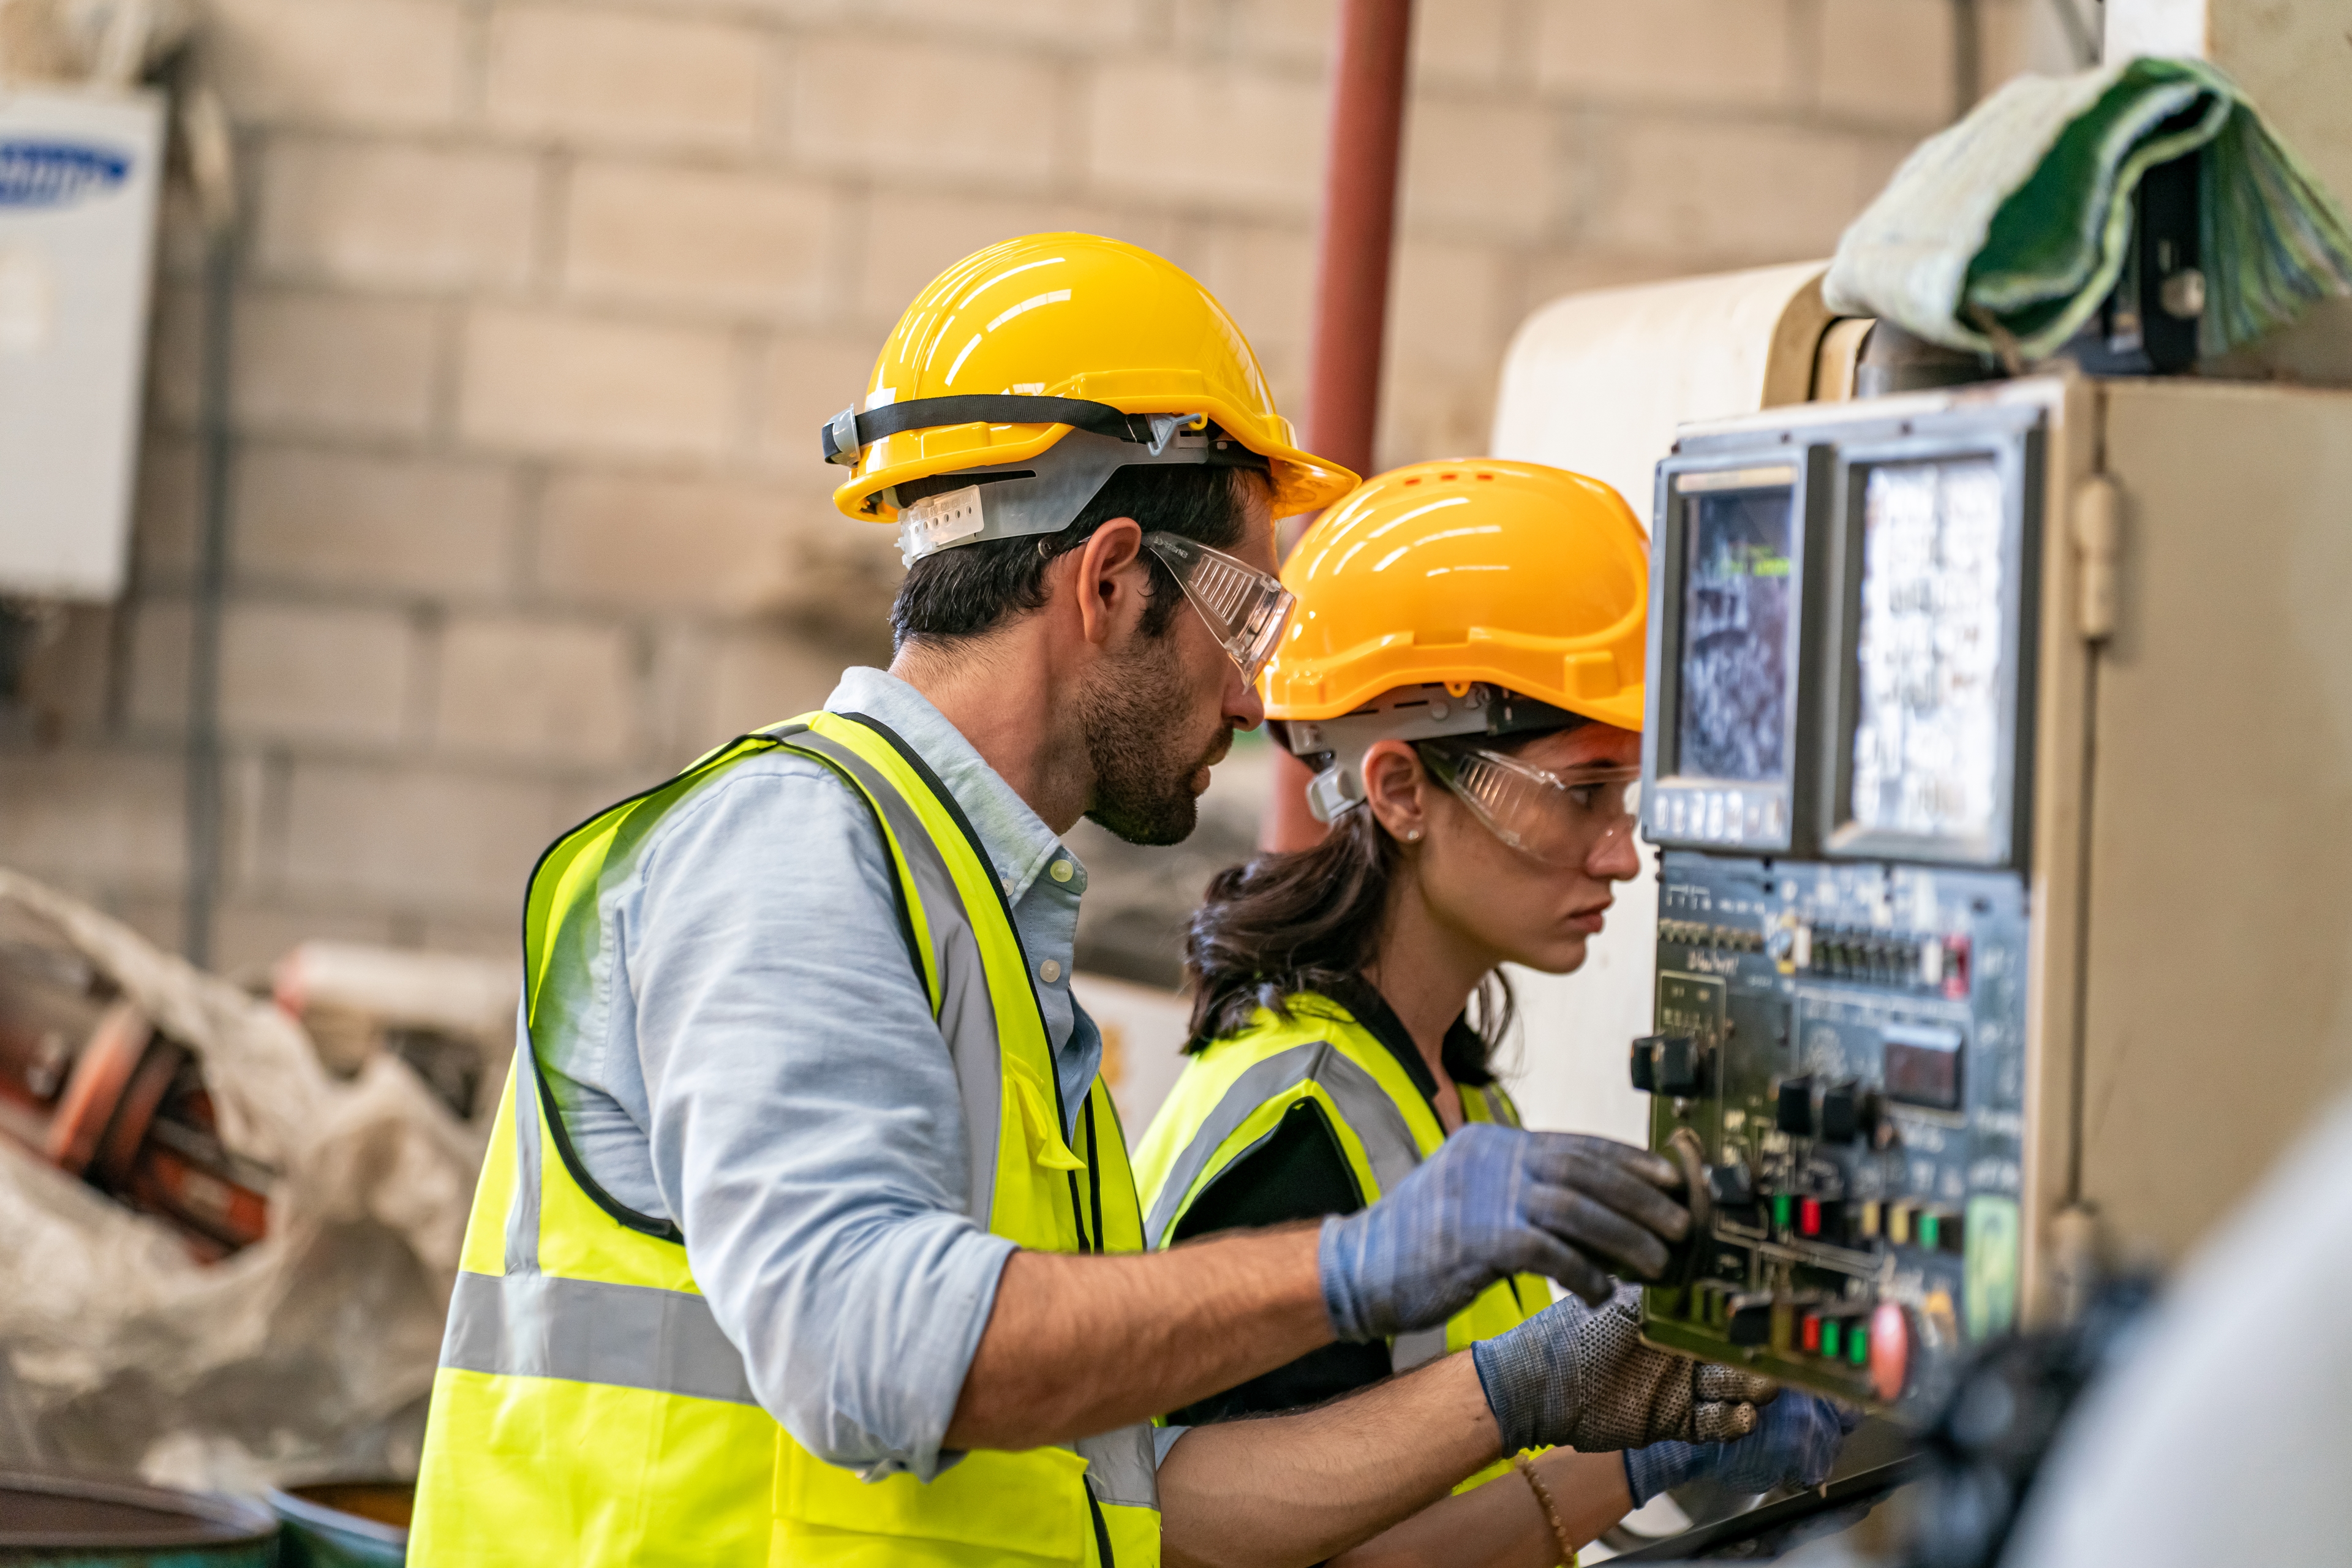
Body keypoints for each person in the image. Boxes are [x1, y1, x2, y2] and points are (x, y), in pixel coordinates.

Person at [404, 235, 1780, 1568]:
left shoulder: (977, 913)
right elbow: (868, 1347)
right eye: (1245, 619)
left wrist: (1534, 1393)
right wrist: (1355, 1263)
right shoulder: (791, 848)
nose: (1256, 697)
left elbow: (1140, 1499)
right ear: (1111, 579)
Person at [1137, 459, 1854, 1564]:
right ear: (1402, 791)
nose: (1623, 853)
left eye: (1631, 796)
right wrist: (1631, 1460)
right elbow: (1226, 1541)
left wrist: (1664, 1436)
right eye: (1583, 793)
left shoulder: (1450, 1084)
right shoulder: (1297, 1124)